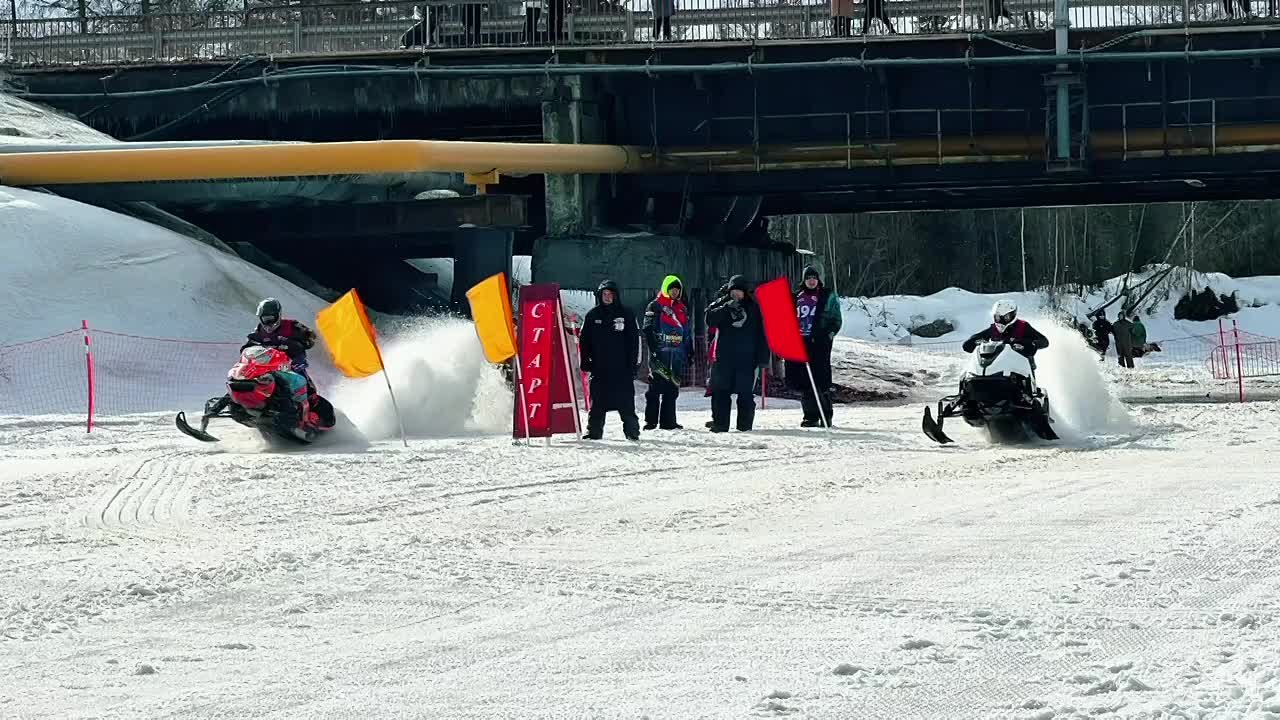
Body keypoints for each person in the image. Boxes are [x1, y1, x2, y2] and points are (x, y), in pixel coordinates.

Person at [704, 275, 769, 433]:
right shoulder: (722, 304)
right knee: (720, 392)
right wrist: (726, 308)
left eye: (739, 291)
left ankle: (744, 427)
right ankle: (720, 424)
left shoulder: (753, 308)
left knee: (745, 394)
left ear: (745, 292)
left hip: (746, 359)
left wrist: (762, 358)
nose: (736, 294)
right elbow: (709, 318)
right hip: (723, 358)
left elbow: (761, 334)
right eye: (733, 291)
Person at [579, 280, 641, 441]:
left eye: (610, 294)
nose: (607, 297)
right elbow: (583, 340)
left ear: (616, 296)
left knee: (626, 404)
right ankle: (594, 432)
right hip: (600, 369)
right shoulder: (592, 316)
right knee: (597, 403)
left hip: (622, 370)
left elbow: (635, 341)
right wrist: (585, 361)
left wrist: (634, 365)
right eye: (604, 294)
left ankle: (632, 432)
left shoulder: (627, 314)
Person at [787, 266, 843, 428]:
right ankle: (810, 415)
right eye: (808, 278)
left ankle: (825, 415)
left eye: (814, 278)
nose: (811, 281)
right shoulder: (797, 297)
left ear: (818, 280)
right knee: (806, 381)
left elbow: (836, 319)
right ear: (804, 281)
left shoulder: (827, 296)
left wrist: (828, 335)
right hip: (801, 342)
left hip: (820, 343)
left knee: (821, 380)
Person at [642, 275, 692, 431]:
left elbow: (687, 332)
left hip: (676, 354)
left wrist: (689, 351)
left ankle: (668, 421)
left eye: (677, 290)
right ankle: (651, 421)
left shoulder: (682, 308)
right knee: (655, 387)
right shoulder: (654, 306)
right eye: (672, 289)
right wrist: (653, 349)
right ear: (666, 289)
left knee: (672, 388)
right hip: (660, 354)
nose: (675, 293)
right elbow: (647, 328)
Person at [244, 298, 317, 390]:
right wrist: (248, 351)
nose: (268, 323)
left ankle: (310, 396)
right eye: (265, 319)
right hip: (266, 367)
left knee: (304, 384)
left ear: (278, 315)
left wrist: (300, 341)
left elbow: (310, 337)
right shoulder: (259, 330)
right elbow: (249, 345)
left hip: (292, 365)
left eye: (271, 319)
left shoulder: (292, 325)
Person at [962, 300, 1049, 371]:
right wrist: (973, 342)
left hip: (1020, 368)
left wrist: (1028, 343)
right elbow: (970, 342)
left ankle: (1031, 390)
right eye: (998, 317)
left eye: (1006, 317)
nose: (1001, 321)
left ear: (1013, 315)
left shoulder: (1023, 326)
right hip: (997, 369)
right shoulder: (993, 329)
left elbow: (1044, 341)